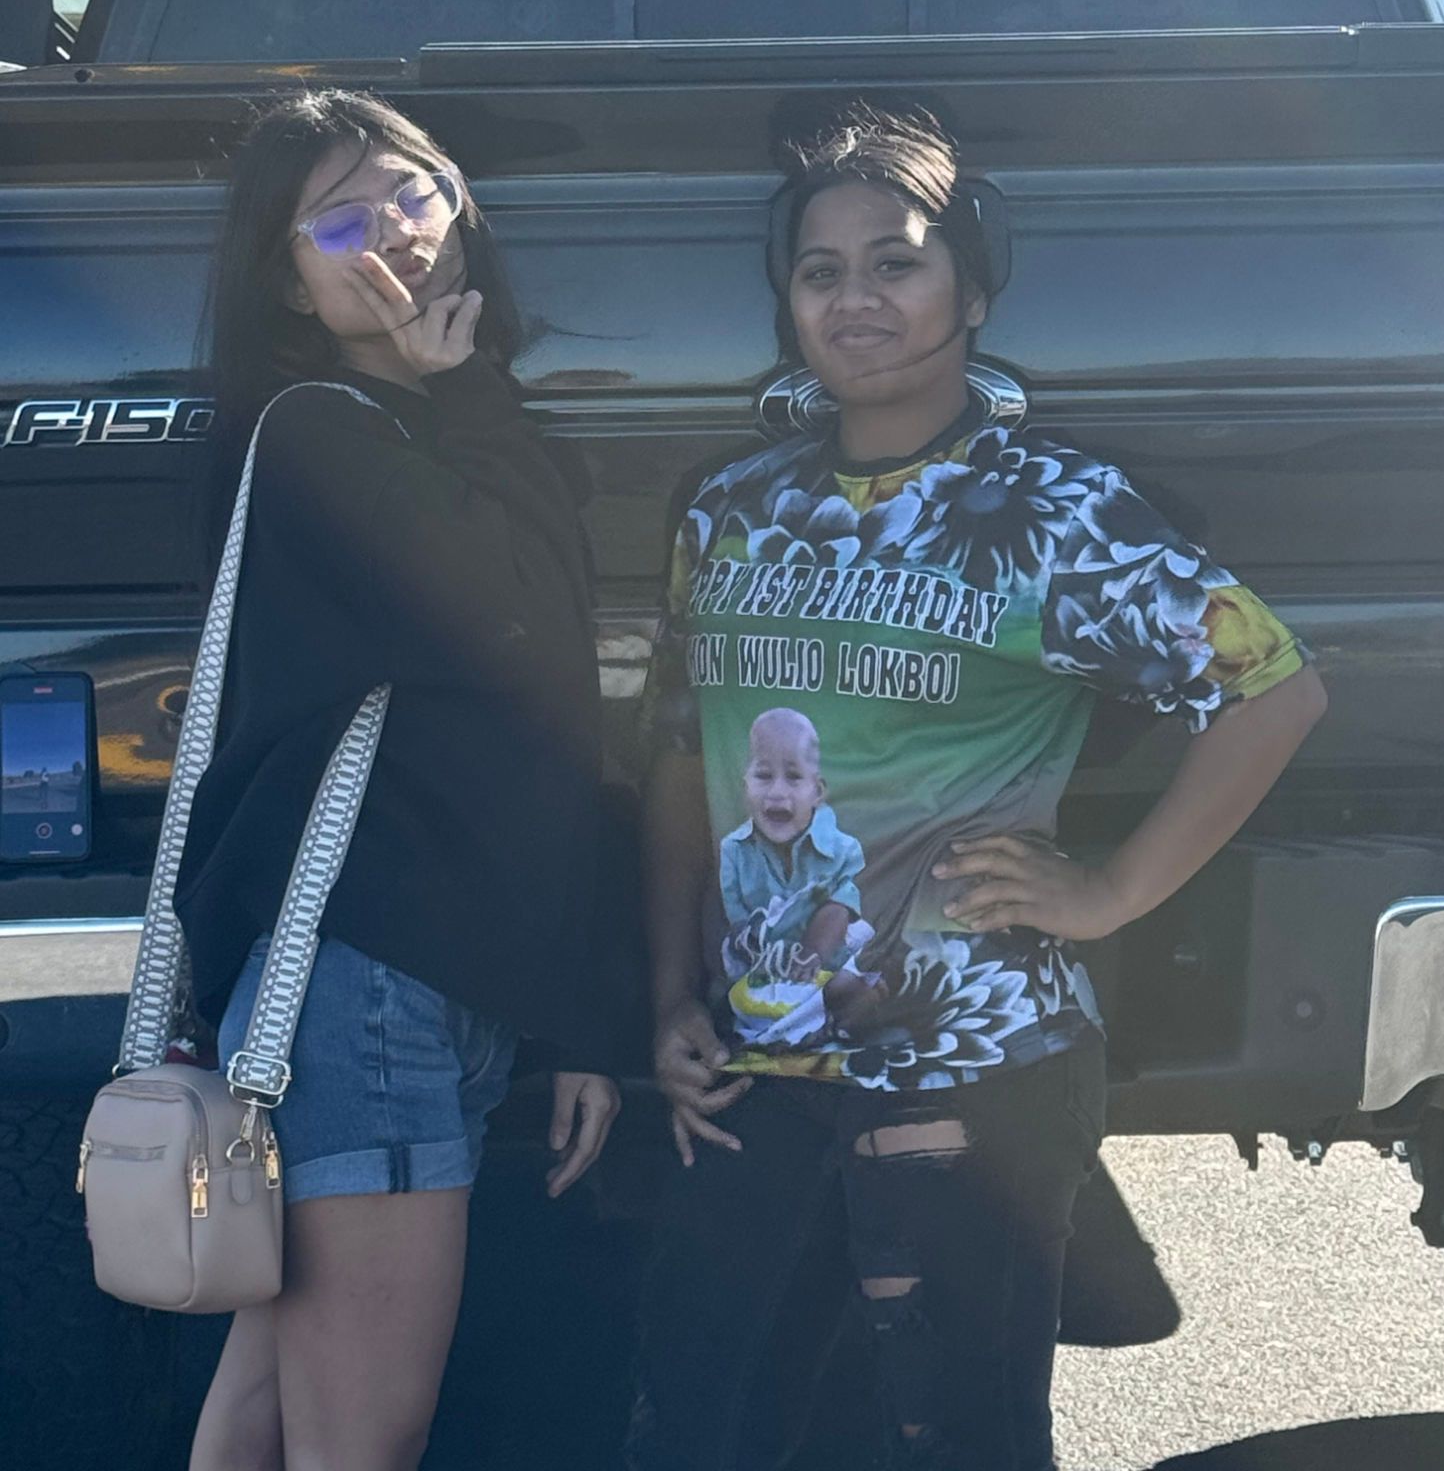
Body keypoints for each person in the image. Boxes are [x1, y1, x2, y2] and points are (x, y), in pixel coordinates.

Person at [634, 104, 1328, 1470]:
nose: (857, 298)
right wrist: (667, 996)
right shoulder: (728, 511)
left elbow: (1276, 689)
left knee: (957, 1442)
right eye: (820, 270)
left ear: (975, 288)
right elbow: (676, 761)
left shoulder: (1054, 513)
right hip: (752, 1076)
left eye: (895, 261)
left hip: (977, 1073)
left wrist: (1110, 891)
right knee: (722, 1436)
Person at [177, 90, 627, 1471]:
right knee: (362, 1438)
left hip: (395, 990)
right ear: (289, 286)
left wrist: (579, 1016)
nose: (402, 236)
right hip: (369, 1000)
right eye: (346, 220)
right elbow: (517, 623)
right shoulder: (327, 437)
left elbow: (537, 746)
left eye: (417, 191)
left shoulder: (409, 430)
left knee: (274, 1415)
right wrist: (470, 393)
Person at [719, 707, 884, 1047]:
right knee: (737, 999)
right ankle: (792, 1026)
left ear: (817, 790)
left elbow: (839, 907)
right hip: (763, 966)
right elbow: (733, 918)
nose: (777, 792)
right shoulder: (734, 850)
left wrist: (813, 954)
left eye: (794, 778)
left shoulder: (841, 847)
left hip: (823, 959)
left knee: (860, 978)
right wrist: (749, 951)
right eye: (763, 776)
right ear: (745, 784)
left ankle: (839, 1019)